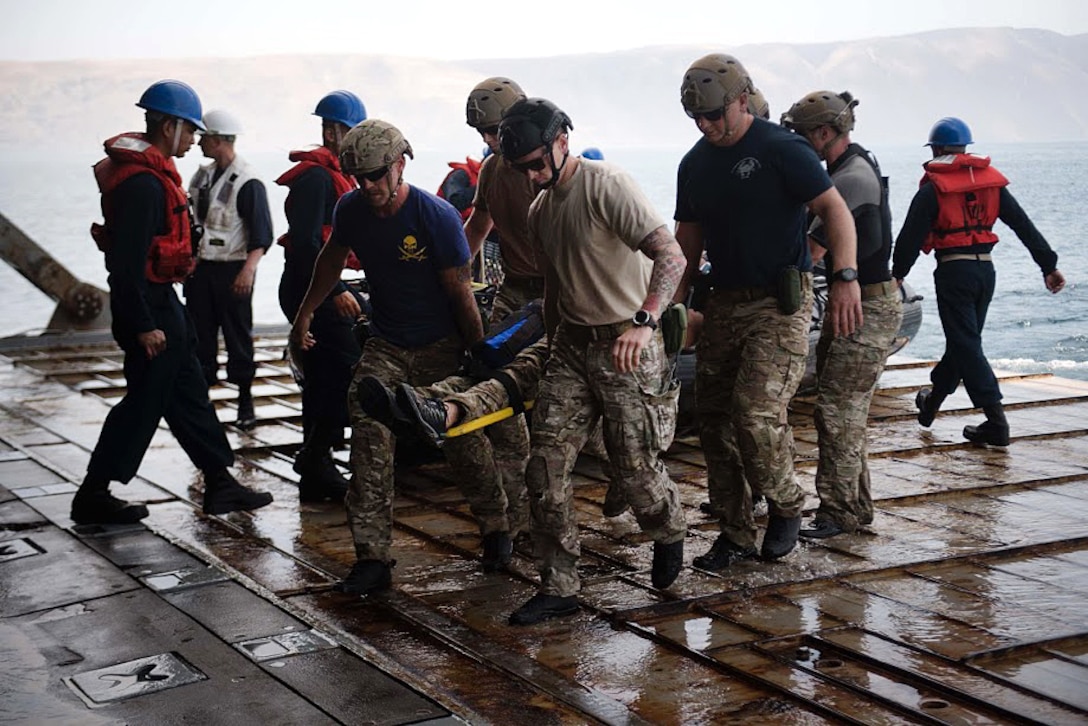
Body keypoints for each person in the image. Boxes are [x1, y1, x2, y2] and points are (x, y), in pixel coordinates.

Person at [291, 119, 512, 596]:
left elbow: (461, 293)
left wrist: (475, 355)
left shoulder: (435, 217)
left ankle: (496, 527)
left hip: (440, 345)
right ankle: (372, 557)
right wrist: (304, 315)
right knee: (368, 442)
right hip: (387, 345)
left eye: (375, 174)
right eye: (358, 176)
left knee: (463, 441)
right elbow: (331, 260)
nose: (366, 185)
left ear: (399, 165)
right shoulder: (351, 208)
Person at [498, 98, 689, 626]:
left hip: (627, 344)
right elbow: (556, 284)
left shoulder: (607, 185)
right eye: (523, 169)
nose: (534, 176)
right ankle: (559, 581)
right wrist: (552, 342)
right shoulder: (541, 210)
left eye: (539, 163)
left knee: (634, 469)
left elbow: (671, 256)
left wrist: (646, 321)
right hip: (573, 348)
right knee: (545, 466)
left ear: (562, 141)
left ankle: (668, 527)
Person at [673, 54, 861, 568]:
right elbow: (685, 248)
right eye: (698, 119)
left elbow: (834, 210)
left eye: (716, 115)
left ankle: (786, 505)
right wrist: (671, 306)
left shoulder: (782, 149)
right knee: (712, 421)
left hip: (780, 303)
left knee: (754, 414)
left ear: (741, 100)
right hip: (723, 304)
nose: (708, 126)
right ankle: (735, 532)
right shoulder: (693, 164)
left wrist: (845, 278)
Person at [72, 80, 273, 525]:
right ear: (170, 126)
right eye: (190, 131)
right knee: (144, 402)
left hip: (164, 305)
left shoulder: (153, 177)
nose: (195, 140)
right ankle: (93, 493)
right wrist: (144, 324)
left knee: (188, 393)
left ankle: (220, 482)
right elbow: (124, 267)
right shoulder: (143, 186)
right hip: (150, 309)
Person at [892, 117, 1065, 446]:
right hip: (986, 272)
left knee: (967, 345)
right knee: (964, 343)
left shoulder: (933, 188)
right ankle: (931, 403)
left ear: (938, 149)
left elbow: (910, 238)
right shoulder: (991, 184)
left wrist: (897, 274)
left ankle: (996, 422)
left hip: (954, 273)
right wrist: (1048, 266)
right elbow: (1023, 226)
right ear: (966, 148)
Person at [781, 91, 903, 539]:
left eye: (801, 134)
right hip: (864, 302)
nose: (797, 143)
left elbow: (812, 250)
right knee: (845, 409)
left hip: (865, 305)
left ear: (825, 133)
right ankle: (855, 505)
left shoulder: (848, 180)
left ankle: (840, 513)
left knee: (838, 410)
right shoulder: (854, 166)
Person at [275, 90, 367, 502]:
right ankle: (316, 456)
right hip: (309, 287)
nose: (332, 134)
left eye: (340, 127)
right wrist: (336, 292)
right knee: (340, 373)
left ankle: (315, 461)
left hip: (316, 286)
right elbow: (307, 244)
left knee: (322, 377)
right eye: (327, 127)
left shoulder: (340, 176)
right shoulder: (315, 179)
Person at [459, 76, 540, 535]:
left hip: (557, 293)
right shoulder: (491, 171)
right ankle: (514, 513)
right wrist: (453, 274)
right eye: (483, 135)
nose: (490, 142)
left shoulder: (542, 168)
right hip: (514, 289)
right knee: (495, 384)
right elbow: (477, 227)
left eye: (495, 132)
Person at [186, 109, 273, 430]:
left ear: (219, 140)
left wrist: (248, 271)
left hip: (233, 269)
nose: (198, 143)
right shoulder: (202, 177)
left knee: (238, 337)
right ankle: (204, 403)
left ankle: (245, 403)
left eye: (204, 138)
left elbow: (261, 233)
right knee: (200, 336)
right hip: (201, 270)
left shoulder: (248, 182)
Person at [436, 154, 483, 222]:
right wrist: (483, 188)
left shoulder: (498, 180)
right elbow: (454, 201)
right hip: (451, 224)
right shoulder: (461, 173)